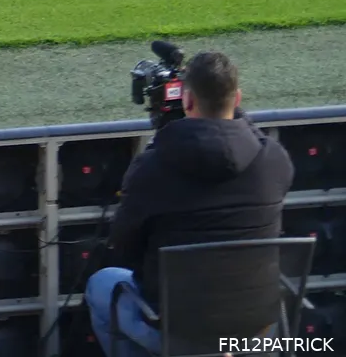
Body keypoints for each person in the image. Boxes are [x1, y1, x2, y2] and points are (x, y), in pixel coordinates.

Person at [86, 51, 294, 356]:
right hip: (258, 331)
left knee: (101, 283)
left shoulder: (151, 168)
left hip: (177, 331)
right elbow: (247, 137)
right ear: (237, 99)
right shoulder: (274, 159)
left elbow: (124, 251)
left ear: (186, 101)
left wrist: (170, 130)